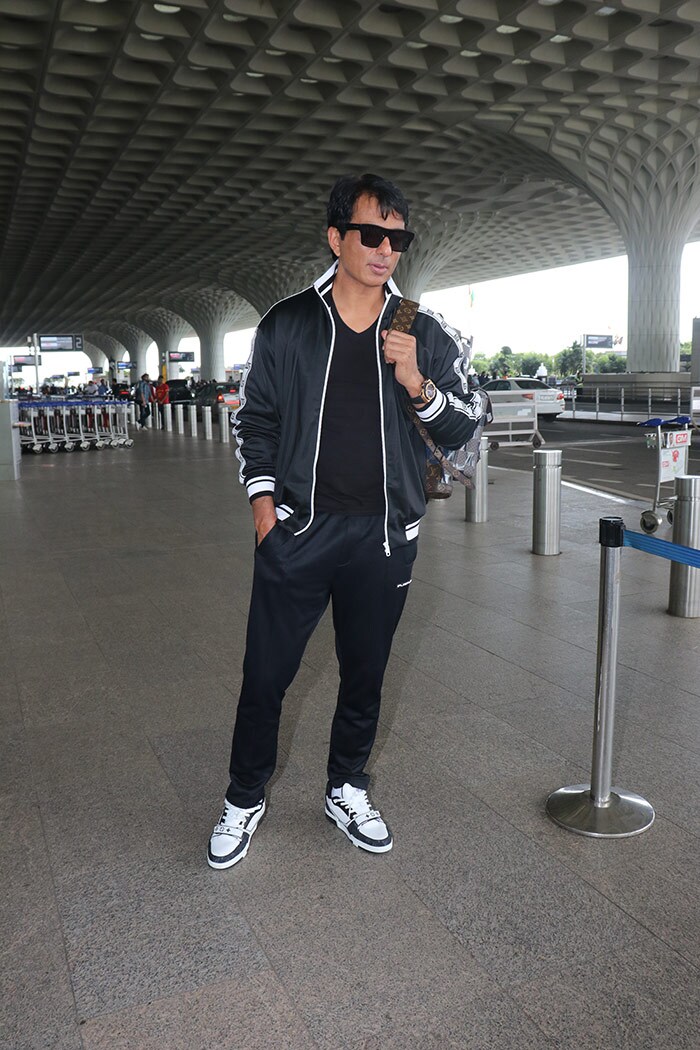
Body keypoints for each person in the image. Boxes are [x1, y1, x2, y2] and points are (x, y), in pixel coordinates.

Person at [207, 172, 484, 870]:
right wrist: (266, 513)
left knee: (366, 674)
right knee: (266, 675)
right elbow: (258, 423)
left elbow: (466, 427)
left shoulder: (424, 331)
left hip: (383, 538)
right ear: (337, 238)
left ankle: (347, 787)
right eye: (371, 234)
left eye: (398, 237)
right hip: (299, 531)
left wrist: (417, 383)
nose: (385, 249)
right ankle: (244, 796)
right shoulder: (288, 324)